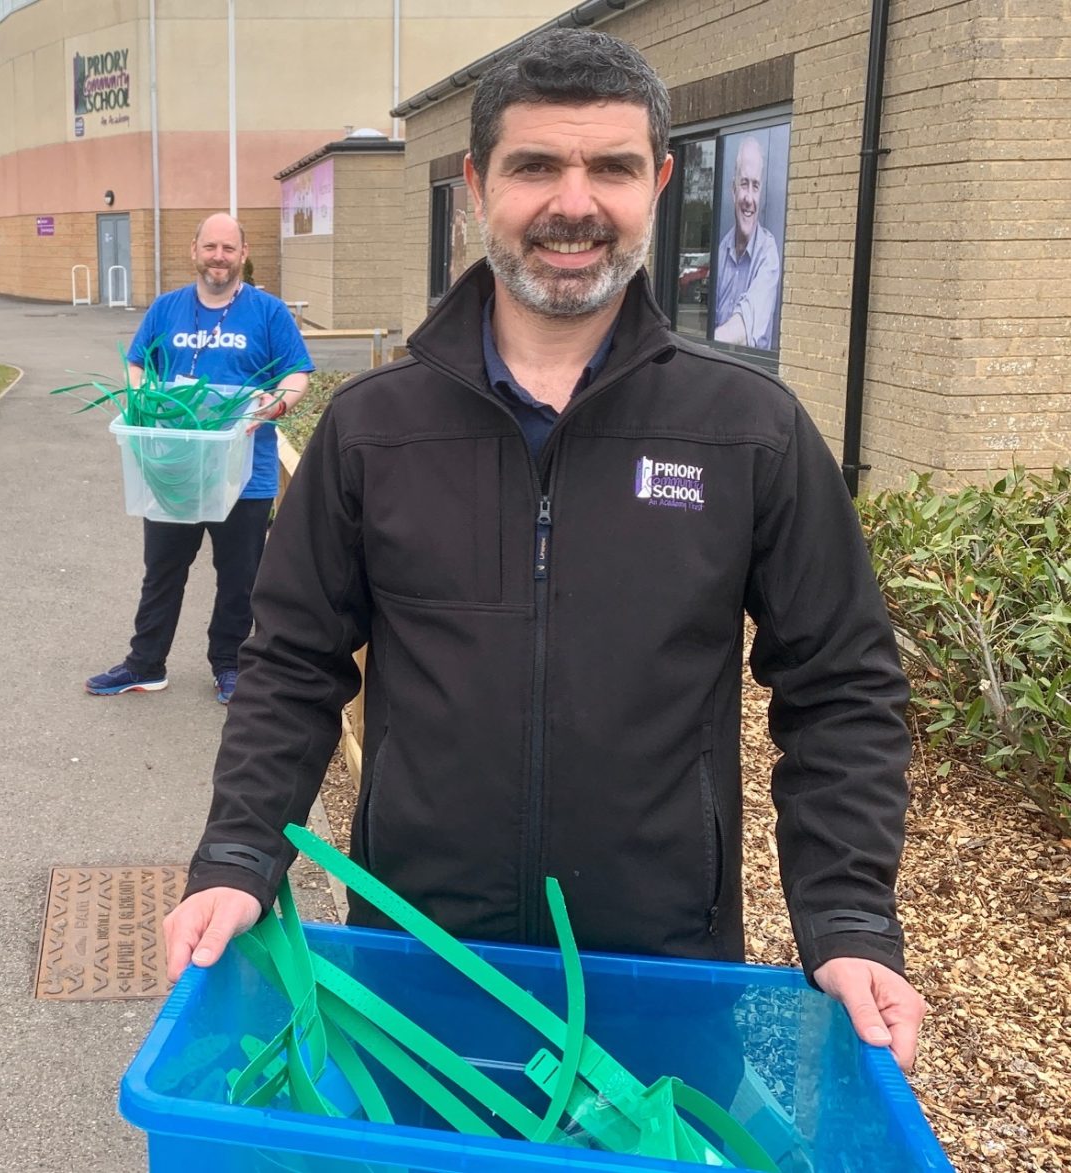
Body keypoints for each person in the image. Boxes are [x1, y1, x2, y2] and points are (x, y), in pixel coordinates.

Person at [164, 30, 928, 1073]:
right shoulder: (375, 429)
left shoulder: (749, 430)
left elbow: (841, 685)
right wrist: (240, 858)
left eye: (612, 166)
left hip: (662, 975)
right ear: (477, 186)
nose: (576, 203)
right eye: (535, 166)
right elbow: (294, 662)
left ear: (658, 181)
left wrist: (846, 924)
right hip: (417, 966)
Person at [86, 213, 313, 704]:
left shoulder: (269, 313)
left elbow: (297, 376)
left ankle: (229, 666)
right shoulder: (166, 309)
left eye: (228, 248)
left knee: (239, 578)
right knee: (162, 570)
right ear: (194, 251)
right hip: (174, 472)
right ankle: (145, 664)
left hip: (243, 476)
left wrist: (271, 407)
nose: (218, 257)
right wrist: (148, 398)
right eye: (210, 247)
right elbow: (135, 363)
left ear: (243, 253)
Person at [712, 136, 782, 350]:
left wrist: (697, 345)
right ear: (733, 191)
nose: (749, 199)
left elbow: (742, 330)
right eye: (744, 184)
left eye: (756, 186)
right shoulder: (721, 251)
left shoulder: (768, 253)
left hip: (750, 375)